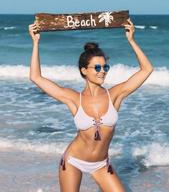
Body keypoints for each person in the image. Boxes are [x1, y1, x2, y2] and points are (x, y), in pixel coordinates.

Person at [28, 18, 153, 192]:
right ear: (84, 71)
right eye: (97, 68)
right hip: (73, 161)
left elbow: (147, 69)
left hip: (101, 165)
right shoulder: (73, 98)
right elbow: (36, 77)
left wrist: (131, 40)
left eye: (105, 67)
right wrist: (35, 43)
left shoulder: (114, 95)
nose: (102, 71)